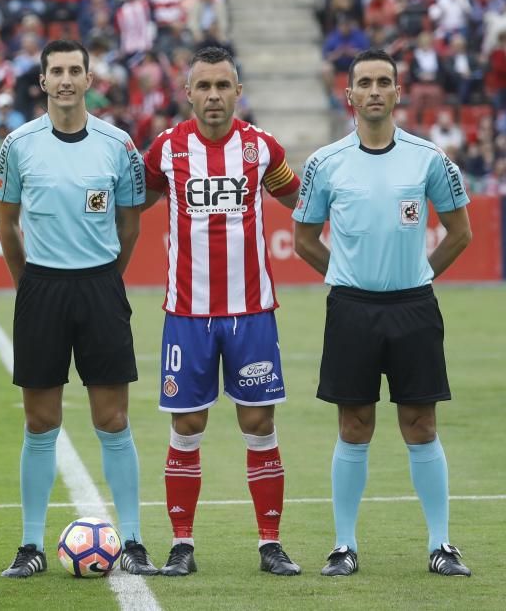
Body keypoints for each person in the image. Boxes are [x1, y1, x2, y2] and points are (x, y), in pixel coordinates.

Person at [293, 48, 473, 578]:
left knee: (420, 424)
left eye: (384, 82)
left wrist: (419, 274)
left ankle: (441, 545)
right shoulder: (326, 163)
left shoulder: (429, 159)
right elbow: (305, 239)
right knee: (355, 425)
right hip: (351, 309)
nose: (375, 90)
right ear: (348, 95)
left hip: (414, 307)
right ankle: (344, 547)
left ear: (398, 93)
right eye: (365, 82)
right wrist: (346, 274)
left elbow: (460, 232)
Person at [0, 39, 157, 578]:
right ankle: (30, 545)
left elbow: (130, 224)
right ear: (41, 81)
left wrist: (108, 275)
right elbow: (6, 220)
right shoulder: (18, 144)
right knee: (41, 422)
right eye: (56, 71)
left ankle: (132, 539)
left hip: (99, 288)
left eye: (74, 71)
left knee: (113, 418)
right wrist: (27, 283)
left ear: (90, 79)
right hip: (42, 288)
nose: (65, 79)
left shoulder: (117, 144)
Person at [140, 46, 303, 578]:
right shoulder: (165, 150)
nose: (213, 95)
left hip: (251, 312)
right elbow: (136, 199)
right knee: (186, 425)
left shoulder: (261, 149)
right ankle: (181, 545)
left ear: (238, 91)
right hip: (187, 314)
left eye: (223, 86)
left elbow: (299, 199)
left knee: (259, 424)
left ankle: (270, 544)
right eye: (203, 86)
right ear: (187, 93)